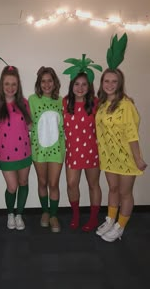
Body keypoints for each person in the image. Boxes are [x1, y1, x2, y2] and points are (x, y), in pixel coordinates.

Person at [95, 68, 147, 242]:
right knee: (113, 189)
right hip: (110, 156)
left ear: (120, 84)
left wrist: (138, 158)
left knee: (125, 193)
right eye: (106, 81)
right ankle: (110, 220)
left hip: (126, 156)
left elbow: (132, 134)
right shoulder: (102, 105)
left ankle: (120, 226)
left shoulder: (126, 105)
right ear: (102, 83)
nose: (110, 85)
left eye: (114, 81)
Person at [0, 65, 32, 230]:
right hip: (5, 153)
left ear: (18, 85)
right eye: (7, 84)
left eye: (14, 84)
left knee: (23, 183)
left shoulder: (24, 103)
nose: (10, 88)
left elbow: (30, 126)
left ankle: (19, 214)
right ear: (2, 85)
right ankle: (10, 213)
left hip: (24, 152)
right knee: (12, 186)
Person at [63, 72, 101, 232]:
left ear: (89, 86)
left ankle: (93, 218)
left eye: (84, 84)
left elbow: (113, 105)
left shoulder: (96, 103)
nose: (80, 87)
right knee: (72, 184)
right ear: (72, 86)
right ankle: (76, 215)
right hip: (72, 151)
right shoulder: (64, 102)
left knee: (93, 185)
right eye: (76, 84)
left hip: (92, 150)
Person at [28, 66, 65, 233]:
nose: (46, 84)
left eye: (49, 80)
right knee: (42, 182)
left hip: (57, 149)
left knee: (54, 183)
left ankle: (54, 215)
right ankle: (45, 211)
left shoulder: (62, 101)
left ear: (54, 82)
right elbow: (23, 117)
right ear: (39, 83)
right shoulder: (32, 100)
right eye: (43, 81)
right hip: (38, 149)